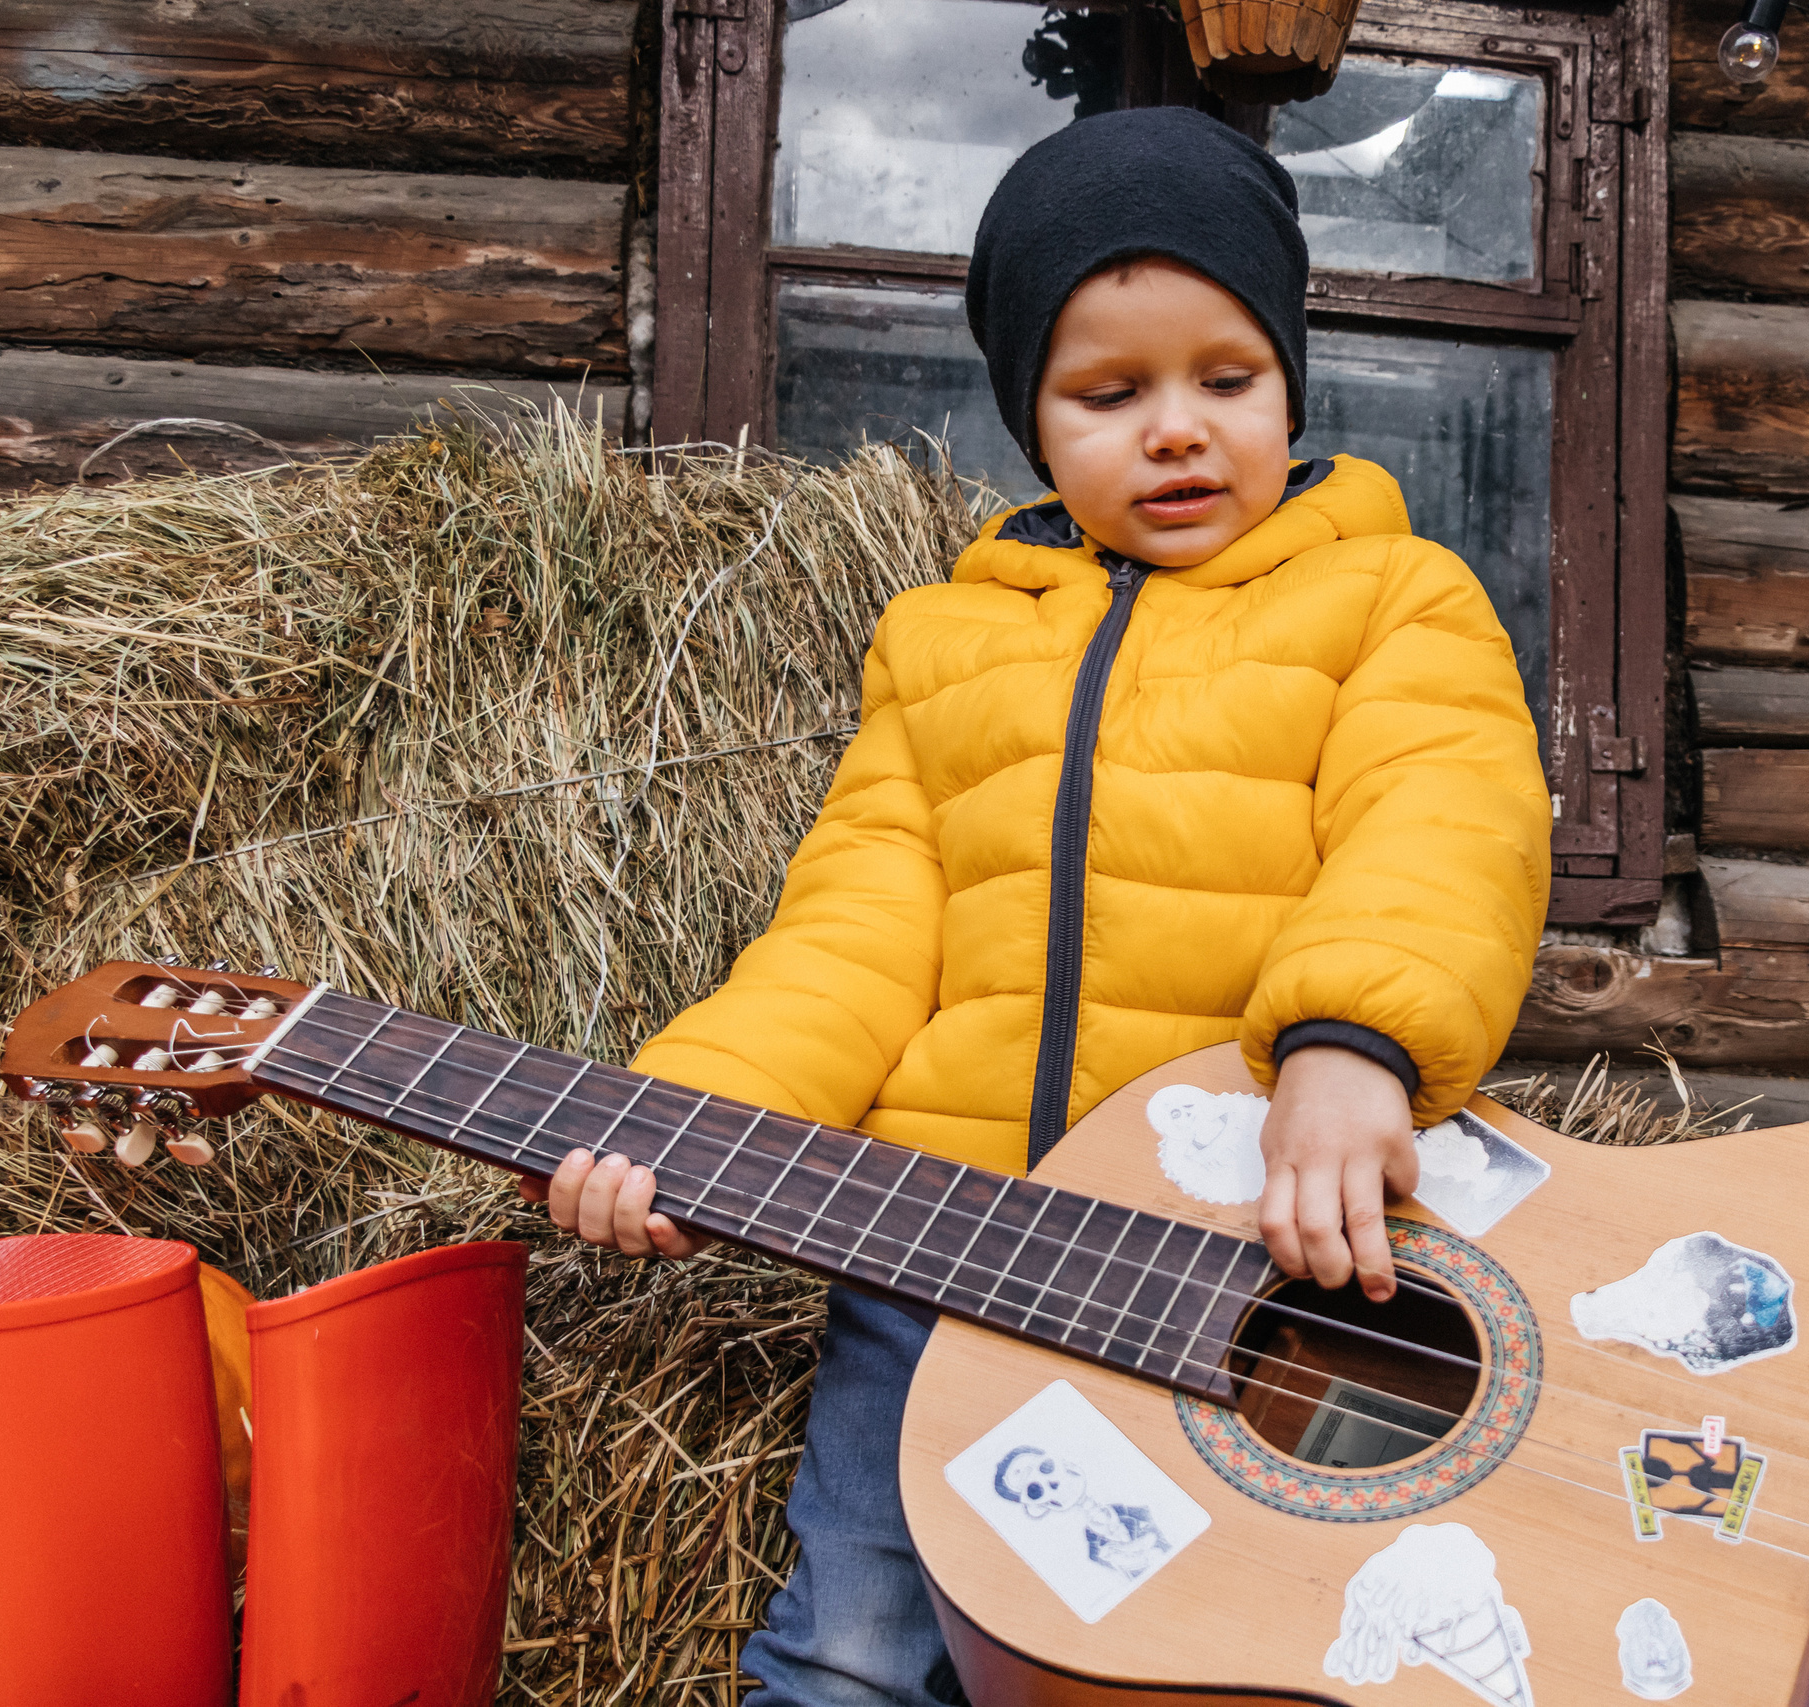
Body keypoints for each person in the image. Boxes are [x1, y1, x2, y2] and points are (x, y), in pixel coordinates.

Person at [520, 105, 1551, 1706]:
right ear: (1031, 420)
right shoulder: (946, 643)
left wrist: (1356, 1048)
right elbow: (855, 931)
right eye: (1108, 393)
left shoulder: (1392, 599)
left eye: (1228, 376)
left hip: (1243, 1272)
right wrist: (699, 1118)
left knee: (1186, 1675)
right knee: (848, 1657)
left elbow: (1443, 828)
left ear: (1292, 382)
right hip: (942, 1254)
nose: (1178, 430)